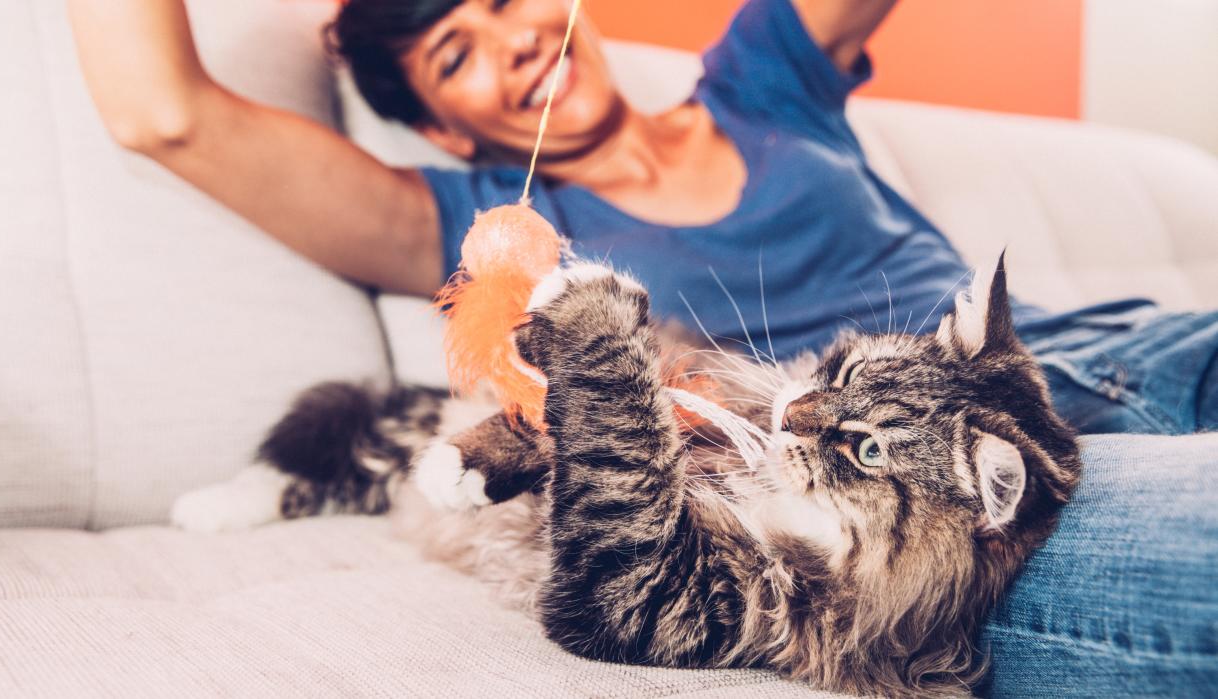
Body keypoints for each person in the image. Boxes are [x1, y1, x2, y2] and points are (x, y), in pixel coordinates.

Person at [68, 0, 1217, 694]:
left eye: (508, 1)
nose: (512, 45)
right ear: (440, 125)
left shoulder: (762, 83)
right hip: (920, 490)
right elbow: (162, 112)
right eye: (456, 55)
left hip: (1066, 355)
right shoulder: (476, 218)